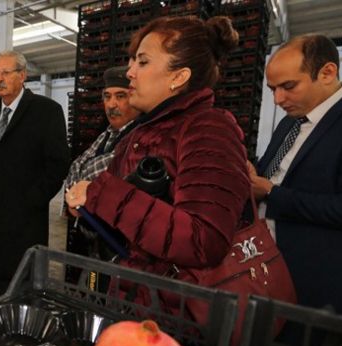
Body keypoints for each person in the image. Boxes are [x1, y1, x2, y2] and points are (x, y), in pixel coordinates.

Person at [65, 16, 249, 307]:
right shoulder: (137, 136)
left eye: (142, 62)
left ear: (179, 77)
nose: (130, 73)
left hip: (177, 315)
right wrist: (90, 207)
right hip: (136, 300)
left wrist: (103, 194)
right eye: (132, 62)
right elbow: (130, 225)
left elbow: (205, 241)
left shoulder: (208, 130)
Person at [249, 34, 342, 315]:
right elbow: (277, 170)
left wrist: (271, 193)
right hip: (264, 269)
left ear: (327, 72)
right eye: (272, 89)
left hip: (314, 287)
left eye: (288, 86)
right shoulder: (292, 120)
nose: (279, 98)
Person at [0, 51, 70, 300]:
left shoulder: (46, 112)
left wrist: (32, 200)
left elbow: (58, 165)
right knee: (1, 283)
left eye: (6, 73)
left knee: (26, 284)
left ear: (22, 75)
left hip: (25, 221)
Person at [65, 66, 141, 263]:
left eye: (120, 96)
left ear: (134, 97)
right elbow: (75, 167)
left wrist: (81, 188)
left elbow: (95, 171)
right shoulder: (107, 133)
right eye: (107, 96)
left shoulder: (140, 135)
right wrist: (83, 188)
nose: (111, 104)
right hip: (97, 238)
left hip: (121, 245)